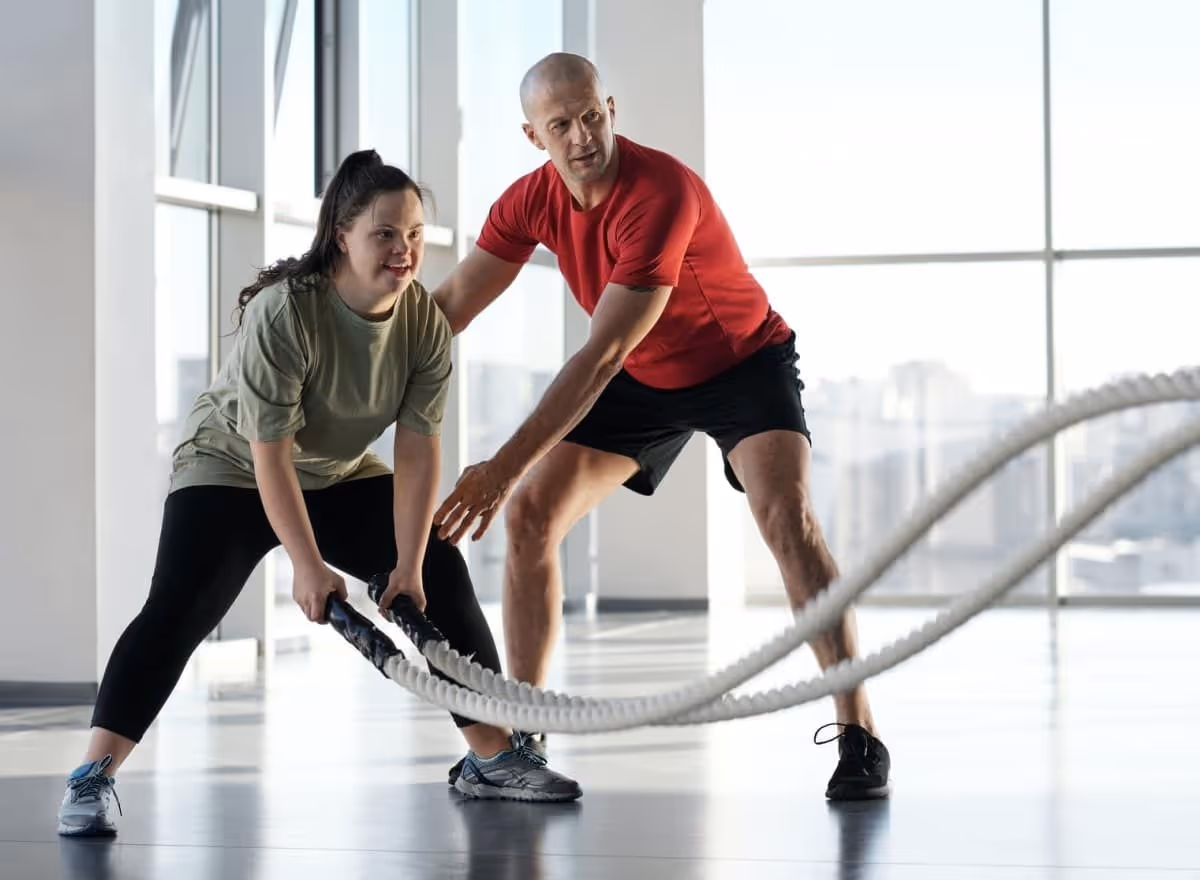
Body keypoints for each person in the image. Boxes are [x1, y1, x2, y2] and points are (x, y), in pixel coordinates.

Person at [56, 150, 582, 838]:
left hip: (334, 470)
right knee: (180, 608)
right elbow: (269, 455)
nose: (405, 250)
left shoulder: (422, 322)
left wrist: (410, 563)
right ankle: (92, 777)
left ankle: (491, 758)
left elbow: (418, 449)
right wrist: (307, 565)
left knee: (443, 570)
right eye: (386, 234)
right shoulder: (287, 312)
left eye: (416, 234)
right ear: (343, 234)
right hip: (233, 466)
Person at [431, 53, 891, 801]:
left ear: (610, 107)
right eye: (560, 125)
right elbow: (447, 307)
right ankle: (520, 740)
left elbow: (603, 352)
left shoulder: (661, 192)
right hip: (645, 376)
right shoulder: (527, 201)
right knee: (532, 517)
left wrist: (500, 464)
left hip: (740, 362)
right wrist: (350, 368)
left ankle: (860, 731)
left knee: (787, 520)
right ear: (532, 136)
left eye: (590, 115)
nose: (581, 135)